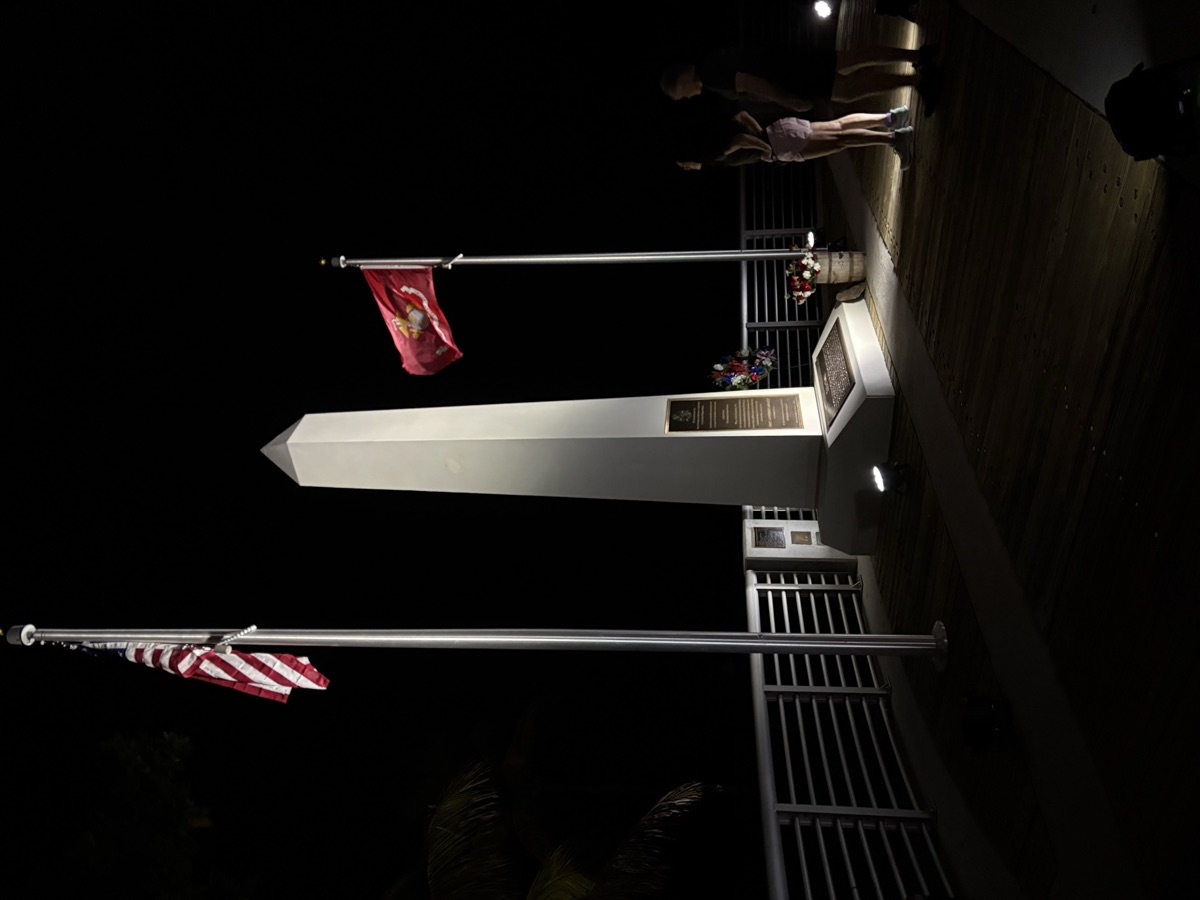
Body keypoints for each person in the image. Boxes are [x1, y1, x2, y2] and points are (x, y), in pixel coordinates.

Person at [661, 43, 940, 111]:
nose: (686, 97)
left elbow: (747, 83)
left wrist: (787, 100)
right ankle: (917, 59)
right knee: (850, 62)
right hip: (786, 61)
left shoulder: (710, 76)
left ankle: (917, 76)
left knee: (849, 82)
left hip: (789, 74)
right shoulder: (710, 63)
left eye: (681, 93)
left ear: (683, 79)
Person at [675, 107, 915, 170]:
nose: (688, 168)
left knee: (840, 140)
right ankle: (892, 118)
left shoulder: (714, 152)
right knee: (839, 126)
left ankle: (894, 138)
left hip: (782, 144)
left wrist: (765, 150)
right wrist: (761, 133)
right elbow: (742, 116)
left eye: (685, 164)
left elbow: (739, 139)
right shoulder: (717, 130)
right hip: (780, 129)